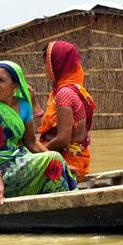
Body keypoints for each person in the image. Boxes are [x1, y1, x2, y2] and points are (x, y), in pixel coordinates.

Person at [0, 60, 77, 208]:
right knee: (53, 158)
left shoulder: (24, 105)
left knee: (56, 161)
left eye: (1, 80)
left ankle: (56, 204)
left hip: (18, 161)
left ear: (15, 86)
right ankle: (60, 206)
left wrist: (63, 163)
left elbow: (32, 142)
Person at [37, 41, 97, 181]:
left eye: (47, 63)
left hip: (68, 163)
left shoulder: (64, 94)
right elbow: (52, 128)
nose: (46, 68)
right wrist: (34, 103)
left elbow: (63, 140)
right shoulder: (75, 89)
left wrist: (36, 151)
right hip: (79, 160)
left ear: (56, 64)